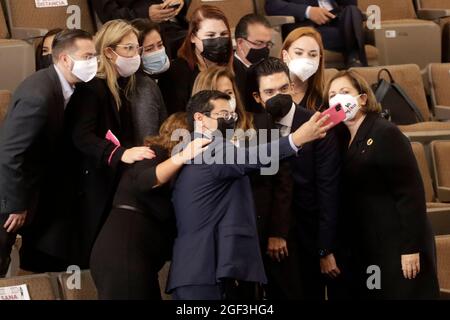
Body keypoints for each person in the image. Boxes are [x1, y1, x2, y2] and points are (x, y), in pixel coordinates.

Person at [167, 90, 333, 300]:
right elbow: (252, 157)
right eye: (223, 115)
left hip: (195, 272)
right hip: (206, 272)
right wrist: (296, 139)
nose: (231, 120)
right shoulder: (209, 148)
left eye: (232, 115)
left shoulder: (188, 151)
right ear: (200, 118)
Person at [325, 70, 440, 299]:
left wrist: (410, 248)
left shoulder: (385, 132)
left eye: (345, 92)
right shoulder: (340, 137)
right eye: (332, 95)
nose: (338, 99)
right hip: (369, 245)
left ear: (363, 98)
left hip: (398, 243)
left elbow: (411, 194)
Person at [0, 29, 97, 274]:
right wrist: (16, 204)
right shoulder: (39, 95)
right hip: (8, 194)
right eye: (87, 56)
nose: (93, 62)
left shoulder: (64, 87)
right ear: (65, 59)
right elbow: (10, 153)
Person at [90, 112, 211, 300]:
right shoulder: (153, 154)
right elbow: (145, 181)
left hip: (131, 255)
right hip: (124, 253)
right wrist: (183, 156)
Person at [250, 57, 341, 300]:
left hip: (309, 237)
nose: (278, 95)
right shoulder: (255, 129)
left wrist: (325, 248)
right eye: (269, 91)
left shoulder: (317, 124)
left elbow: (328, 191)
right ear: (257, 97)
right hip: (269, 239)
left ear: (292, 87)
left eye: (283, 88)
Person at [67, 20, 155, 267]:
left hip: (109, 179)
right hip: (91, 184)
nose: (135, 55)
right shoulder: (93, 88)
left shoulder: (119, 87)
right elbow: (81, 137)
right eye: (128, 48)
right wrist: (119, 154)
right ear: (108, 51)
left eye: (137, 48)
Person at [159, 5, 233, 114]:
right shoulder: (177, 73)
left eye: (223, 34)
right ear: (193, 37)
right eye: (211, 35)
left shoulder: (234, 67)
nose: (218, 40)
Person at [265, 0, 367, 67]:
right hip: (309, 26)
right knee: (355, 32)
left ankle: (354, 58)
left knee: (352, 10)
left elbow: (350, 3)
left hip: (337, 19)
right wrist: (308, 11)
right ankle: (355, 59)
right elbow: (272, 5)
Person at [91, 0, 189, 59]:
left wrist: (180, 2)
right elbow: (110, 16)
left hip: (171, 25)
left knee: (195, 39)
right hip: (134, 32)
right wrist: (146, 14)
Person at [192, 66, 254, 144]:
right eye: (217, 94)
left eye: (229, 93)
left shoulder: (259, 124)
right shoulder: (192, 140)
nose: (226, 99)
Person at [130, 18, 169, 142]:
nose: (157, 52)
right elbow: (148, 140)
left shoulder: (157, 79)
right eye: (149, 49)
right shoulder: (143, 87)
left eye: (160, 45)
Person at [233, 14, 272, 109]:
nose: (265, 49)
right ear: (240, 43)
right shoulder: (228, 73)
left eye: (268, 44)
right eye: (259, 43)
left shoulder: (271, 67)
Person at [281, 27, 324, 108]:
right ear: (285, 55)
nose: (306, 59)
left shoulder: (323, 98)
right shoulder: (270, 91)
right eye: (298, 53)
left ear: (319, 59)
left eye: (313, 55)